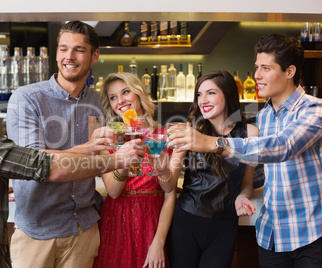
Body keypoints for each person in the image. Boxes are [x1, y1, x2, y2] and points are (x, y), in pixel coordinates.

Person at [0, 32, 145, 268]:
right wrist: (117, 160)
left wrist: (88, 147)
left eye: (79, 50)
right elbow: (42, 165)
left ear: (94, 55)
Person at [168, 33, 322, 267]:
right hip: (271, 234)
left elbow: (283, 146)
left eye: (265, 68)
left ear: (289, 72)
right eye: (256, 67)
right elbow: (260, 169)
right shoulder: (264, 115)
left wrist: (213, 143)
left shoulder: (314, 110)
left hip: (309, 235)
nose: (257, 75)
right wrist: (240, 194)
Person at [6, 20, 119, 268]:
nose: (69, 56)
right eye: (63, 48)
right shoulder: (27, 98)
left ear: (94, 55)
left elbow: (100, 158)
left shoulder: (98, 102)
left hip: (83, 231)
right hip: (37, 231)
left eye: (78, 49)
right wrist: (95, 152)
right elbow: (34, 161)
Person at [165, 70, 259, 267]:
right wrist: (161, 166)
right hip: (186, 221)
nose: (203, 100)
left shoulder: (250, 133)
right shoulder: (190, 130)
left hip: (225, 226)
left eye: (211, 93)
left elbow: (247, 184)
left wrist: (243, 196)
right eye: (199, 94)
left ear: (229, 94)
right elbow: (169, 184)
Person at [93, 72, 176, 268]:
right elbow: (113, 191)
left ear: (138, 94)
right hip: (117, 220)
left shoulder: (164, 136)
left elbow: (169, 192)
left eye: (125, 92)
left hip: (152, 221)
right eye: (113, 97)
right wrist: (124, 158)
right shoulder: (107, 140)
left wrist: (159, 241)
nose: (120, 101)